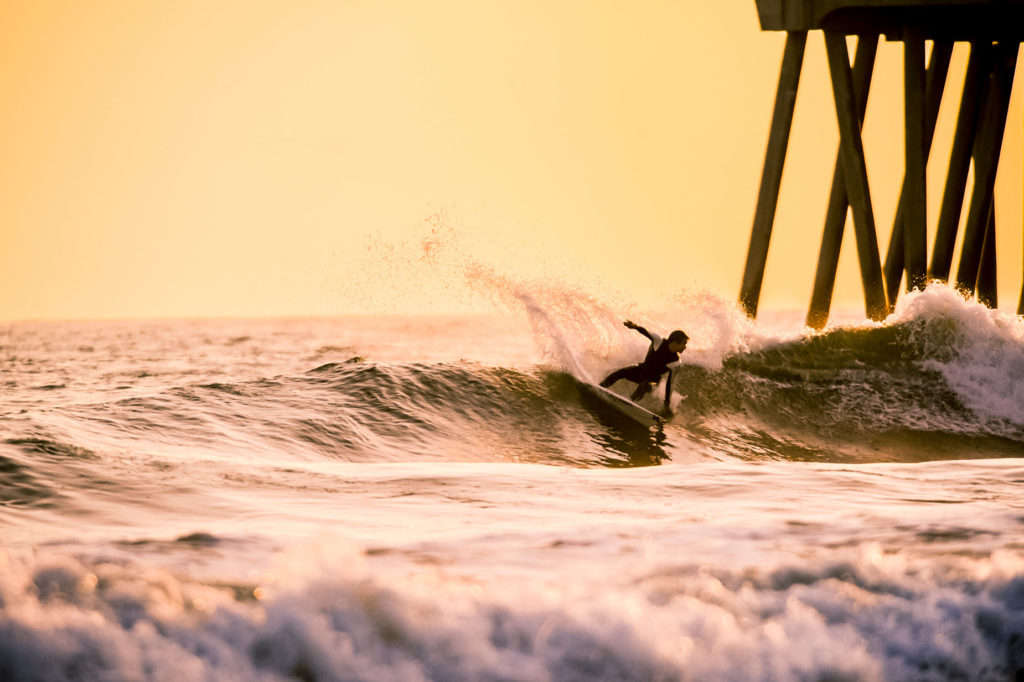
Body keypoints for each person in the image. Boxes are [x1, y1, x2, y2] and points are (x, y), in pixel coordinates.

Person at [600, 320, 688, 410]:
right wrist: (634, 326)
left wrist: (667, 403)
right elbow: (646, 332)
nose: (685, 347)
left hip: (653, 383)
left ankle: (629, 404)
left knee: (644, 384)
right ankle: (600, 387)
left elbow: (670, 384)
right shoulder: (659, 341)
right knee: (622, 372)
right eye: (684, 343)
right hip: (642, 370)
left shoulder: (676, 362)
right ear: (675, 342)